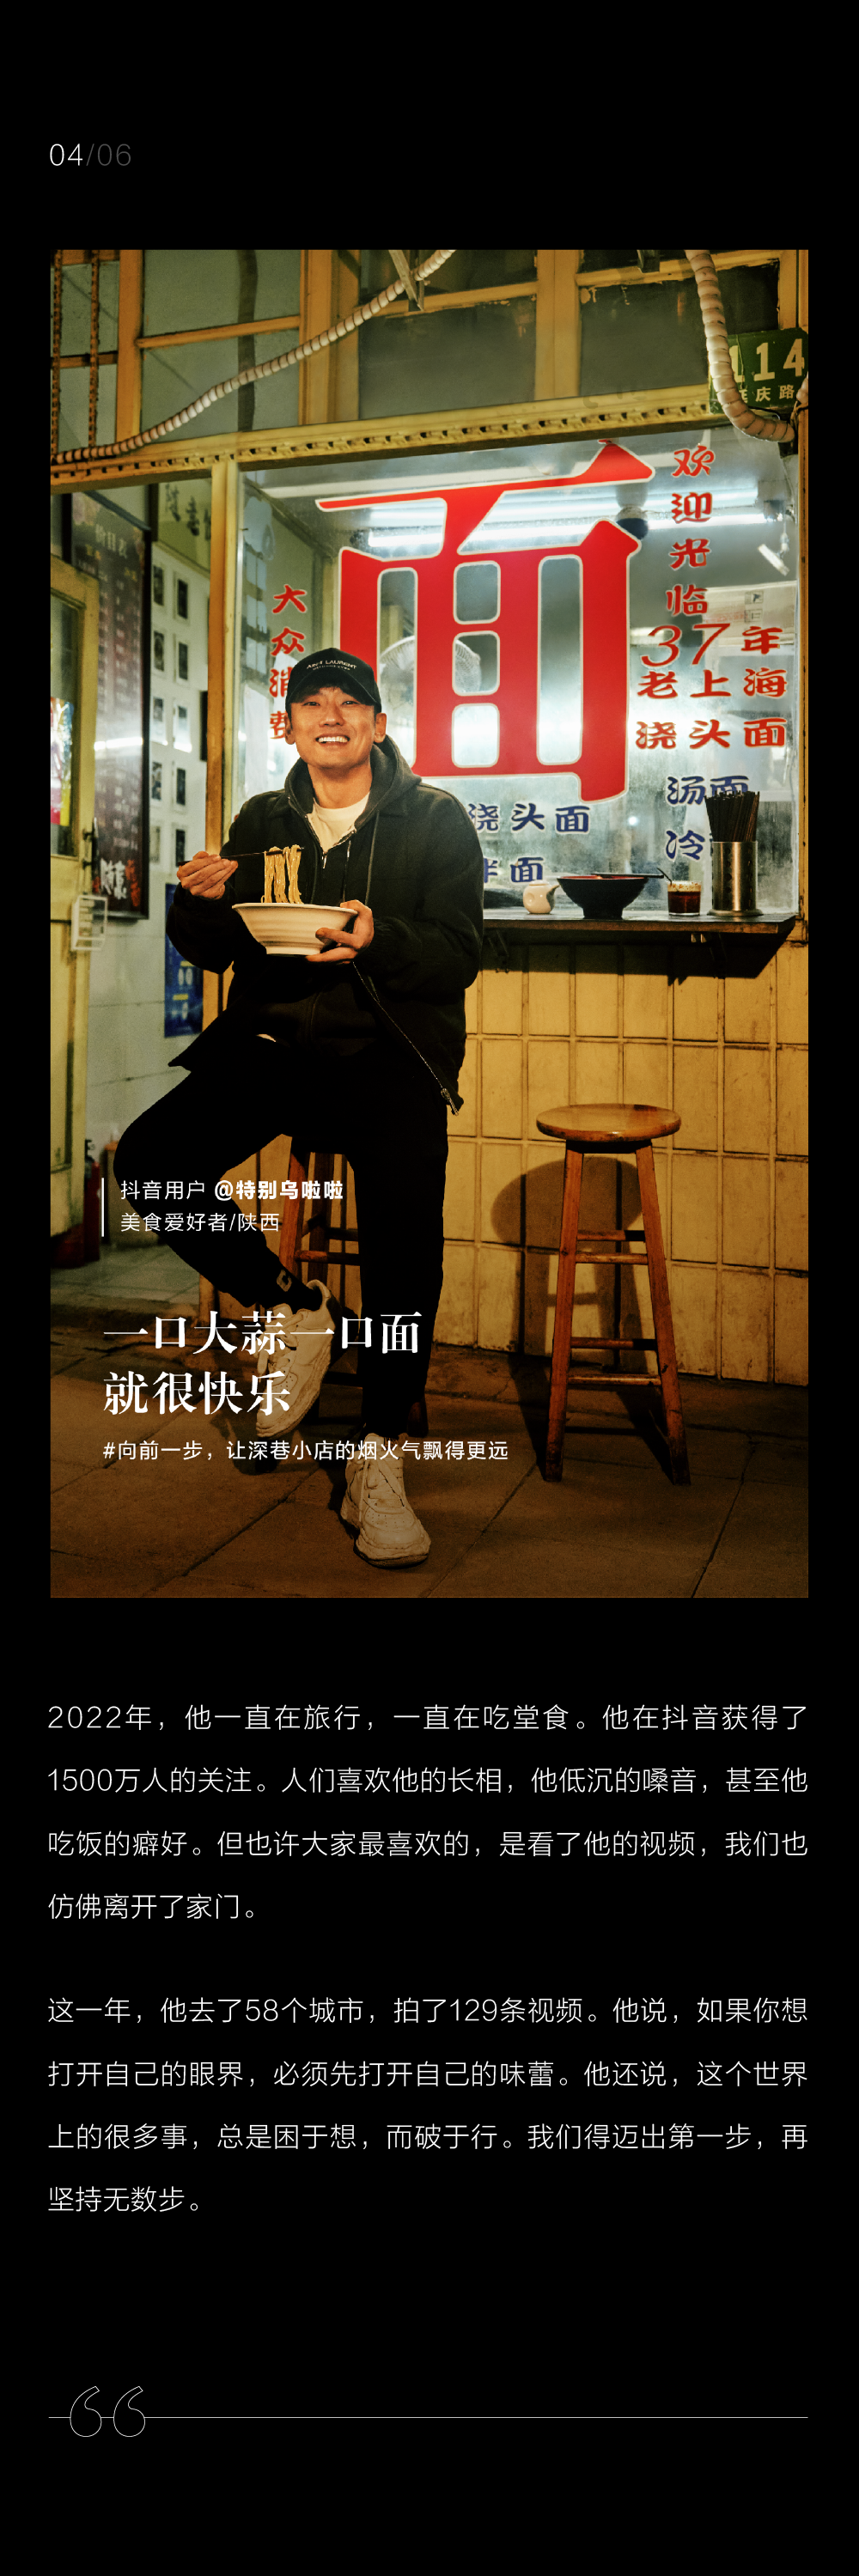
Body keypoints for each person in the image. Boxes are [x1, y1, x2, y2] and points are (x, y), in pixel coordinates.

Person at [113, 646, 484, 1568]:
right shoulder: (263, 819)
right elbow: (218, 947)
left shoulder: (435, 818)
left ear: (378, 724)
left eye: (349, 703)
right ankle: (293, 1305)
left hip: (389, 1054)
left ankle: (379, 1452)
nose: (331, 716)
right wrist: (198, 901)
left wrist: (378, 937)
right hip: (275, 1044)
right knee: (152, 1160)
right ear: (289, 727)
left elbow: (457, 951)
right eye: (311, 703)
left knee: (405, 1244)